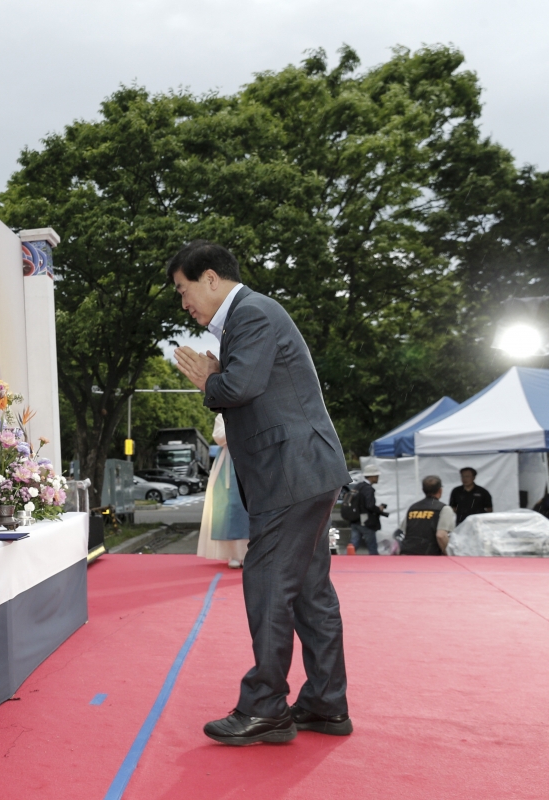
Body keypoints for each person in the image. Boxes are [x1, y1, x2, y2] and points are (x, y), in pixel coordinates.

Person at [172, 240, 352, 746]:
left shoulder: (250, 313)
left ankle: (266, 706)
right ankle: (325, 703)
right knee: (310, 592)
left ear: (210, 278)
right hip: (305, 471)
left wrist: (211, 379)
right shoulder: (252, 315)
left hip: (290, 474)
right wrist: (219, 376)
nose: (183, 303)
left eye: (184, 290)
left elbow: (238, 388)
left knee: (270, 585)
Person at [197, 414, 248, 568]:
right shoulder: (222, 416)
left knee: (249, 510)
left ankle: (248, 554)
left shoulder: (253, 409)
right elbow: (219, 437)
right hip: (228, 464)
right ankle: (232, 555)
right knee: (229, 509)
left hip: (250, 461)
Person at [399, 476, 456, 556]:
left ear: (423, 490)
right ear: (440, 490)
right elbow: (441, 535)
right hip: (429, 556)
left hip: (408, 553)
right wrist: (449, 554)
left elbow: (403, 532)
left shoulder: (413, 507)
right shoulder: (444, 509)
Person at [350, 464, 387, 555]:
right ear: (372, 476)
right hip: (366, 521)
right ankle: (375, 566)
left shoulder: (358, 486)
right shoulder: (369, 489)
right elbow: (369, 506)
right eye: (377, 475)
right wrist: (379, 509)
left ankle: (344, 562)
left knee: (353, 545)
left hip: (355, 519)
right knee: (372, 547)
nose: (378, 477)